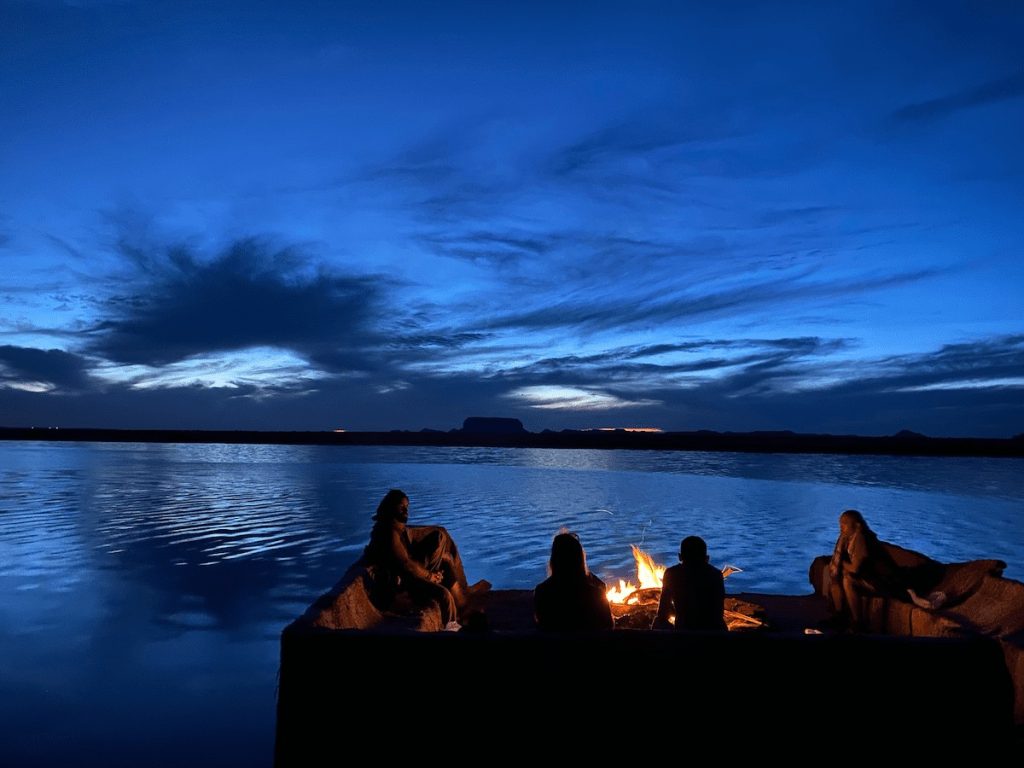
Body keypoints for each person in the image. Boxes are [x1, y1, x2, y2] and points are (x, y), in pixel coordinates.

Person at [362, 489, 487, 625]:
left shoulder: (398, 528)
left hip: (407, 576)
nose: (406, 511)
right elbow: (406, 565)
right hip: (403, 584)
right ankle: (453, 626)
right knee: (444, 595)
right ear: (390, 508)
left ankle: (462, 606)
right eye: (401, 507)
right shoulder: (389, 532)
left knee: (443, 552)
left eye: (407, 507)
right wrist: (429, 576)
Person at [826, 509, 911, 629]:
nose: (841, 527)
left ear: (857, 525)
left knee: (848, 579)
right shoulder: (847, 539)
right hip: (872, 578)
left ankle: (858, 622)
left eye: (845, 523)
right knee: (835, 573)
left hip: (885, 582)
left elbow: (855, 569)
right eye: (840, 523)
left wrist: (841, 563)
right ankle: (840, 615)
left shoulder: (862, 537)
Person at [534, 532, 614, 631]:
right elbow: (609, 626)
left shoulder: (542, 591)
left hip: (554, 646)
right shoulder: (596, 594)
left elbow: (540, 624)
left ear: (553, 559)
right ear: (580, 559)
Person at [652, 535, 727, 631]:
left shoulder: (671, 574)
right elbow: (719, 612)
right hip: (712, 634)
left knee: (658, 621)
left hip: (683, 632)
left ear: (680, 557)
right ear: (707, 558)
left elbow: (662, 612)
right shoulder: (716, 574)